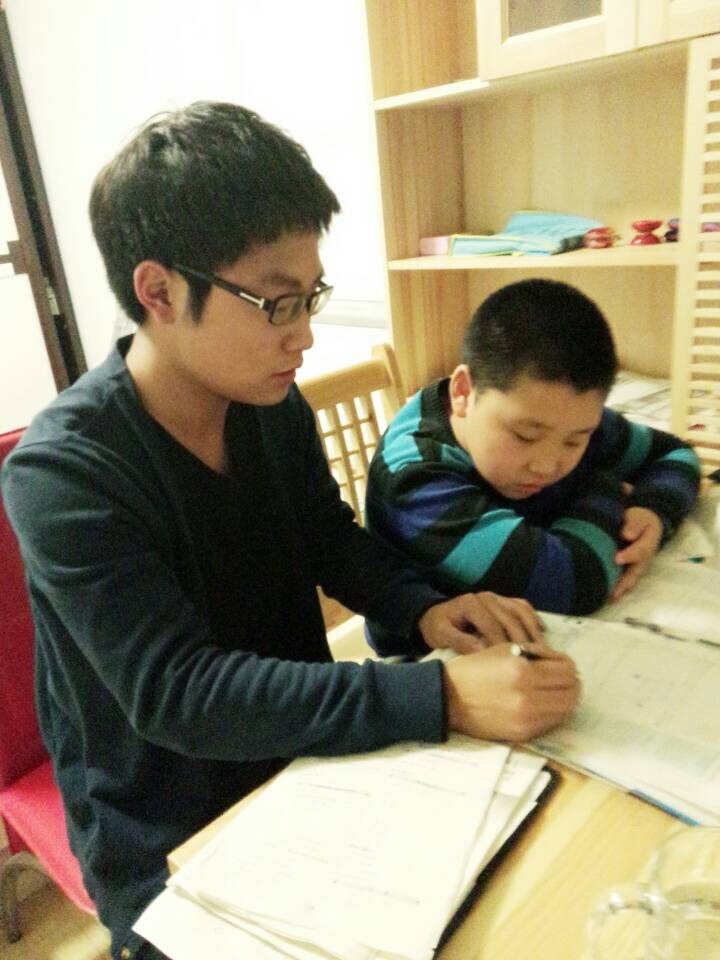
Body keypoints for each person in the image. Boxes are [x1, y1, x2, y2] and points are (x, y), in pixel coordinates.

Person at [0, 104, 580, 960]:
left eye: (310, 297)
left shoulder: (266, 404)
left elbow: (326, 537)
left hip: (303, 762)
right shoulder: (64, 472)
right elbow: (178, 695)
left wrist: (424, 608)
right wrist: (443, 695)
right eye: (275, 303)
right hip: (167, 838)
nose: (304, 334)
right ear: (158, 292)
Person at [365, 278, 702, 652]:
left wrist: (653, 511)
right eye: (525, 436)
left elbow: (676, 454)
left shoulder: (557, 413)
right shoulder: (414, 480)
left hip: (542, 630)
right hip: (427, 662)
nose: (547, 466)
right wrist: (604, 484)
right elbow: (577, 583)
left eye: (575, 441)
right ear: (463, 392)